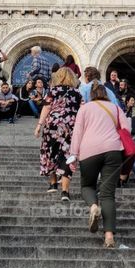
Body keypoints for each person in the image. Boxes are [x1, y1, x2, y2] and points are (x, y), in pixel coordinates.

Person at [68, 81, 130, 250]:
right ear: (107, 95)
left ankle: (93, 206)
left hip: (89, 151)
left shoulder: (85, 108)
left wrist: (73, 155)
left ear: (91, 96)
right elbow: (126, 129)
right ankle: (109, 237)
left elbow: (77, 132)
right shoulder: (115, 108)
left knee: (87, 186)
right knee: (108, 194)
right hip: (113, 151)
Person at [36, 65, 82, 199]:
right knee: (68, 156)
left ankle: (53, 184)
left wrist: (39, 125)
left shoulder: (53, 91)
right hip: (70, 127)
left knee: (49, 152)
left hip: (52, 126)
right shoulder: (77, 93)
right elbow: (82, 111)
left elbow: (46, 107)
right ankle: (65, 192)